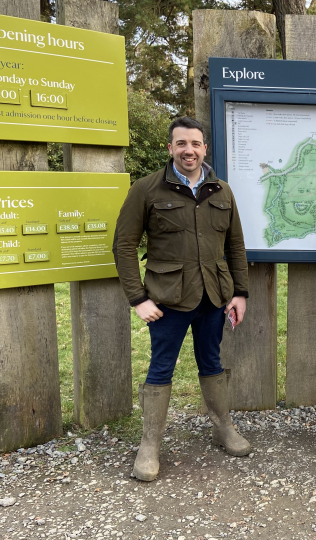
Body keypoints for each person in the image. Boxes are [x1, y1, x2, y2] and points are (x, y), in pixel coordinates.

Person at [113, 116, 252, 482]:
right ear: (170, 148)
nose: (189, 150)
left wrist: (240, 292)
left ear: (204, 148)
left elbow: (235, 245)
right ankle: (150, 444)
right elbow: (124, 245)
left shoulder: (221, 191)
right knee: (161, 366)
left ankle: (223, 429)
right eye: (181, 144)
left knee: (211, 361)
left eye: (195, 143)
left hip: (213, 296)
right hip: (167, 299)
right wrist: (137, 298)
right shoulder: (146, 189)